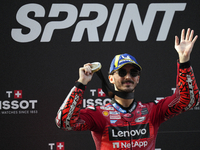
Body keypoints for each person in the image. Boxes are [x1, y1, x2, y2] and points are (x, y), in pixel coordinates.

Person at [55, 28, 199, 150]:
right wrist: (81, 83)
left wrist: (184, 60)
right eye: (122, 72)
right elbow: (64, 122)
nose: (128, 77)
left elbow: (187, 101)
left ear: (138, 78)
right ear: (111, 78)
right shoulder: (100, 115)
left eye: (133, 73)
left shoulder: (152, 112)